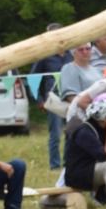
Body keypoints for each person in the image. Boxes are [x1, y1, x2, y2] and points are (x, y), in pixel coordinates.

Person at [28, 25, 68, 167]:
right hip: (53, 97)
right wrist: (39, 100)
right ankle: (55, 164)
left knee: (72, 132)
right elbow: (32, 78)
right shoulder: (44, 56)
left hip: (71, 95)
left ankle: (68, 163)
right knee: (55, 134)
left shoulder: (71, 53)